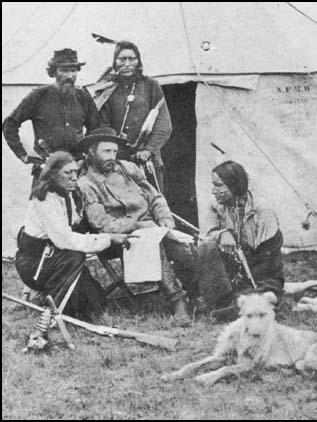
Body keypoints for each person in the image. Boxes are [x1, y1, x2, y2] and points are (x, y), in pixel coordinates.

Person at [77, 126, 192, 326]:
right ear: (91, 153)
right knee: (154, 245)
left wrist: (165, 219)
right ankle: (178, 301)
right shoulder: (86, 184)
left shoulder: (128, 168)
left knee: (182, 247)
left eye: (114, 151)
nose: (112, 156)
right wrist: (137, 225)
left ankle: (196, 292)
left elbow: (154, 196)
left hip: (152, 227)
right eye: (106, 151)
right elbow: (102, 225)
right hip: (119, 238)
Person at [15, 151, 130, 349]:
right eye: (67, 173)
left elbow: (75, 226)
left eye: (76, 172)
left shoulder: (67, 195)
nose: (74, 178)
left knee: (96, 305)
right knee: (75, 255)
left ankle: (53, 301)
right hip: (35, 264)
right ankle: (50, 314)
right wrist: (108, 239)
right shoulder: (43, 199)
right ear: (52, 174)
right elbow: (65, 240)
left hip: (56, 259)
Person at [195, 160, 285, 320]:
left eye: (218, 185)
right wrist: (222, 234)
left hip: (262, 275)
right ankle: (232, 304)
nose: (213, 191)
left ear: (234, 185)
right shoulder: (216, 206)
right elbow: (204, 236)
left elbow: (268, 261)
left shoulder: (263, 211)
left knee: (265, 293)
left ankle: (238, 305)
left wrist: (246, 284)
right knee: (206, 248)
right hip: (230, 273)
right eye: (213, 185)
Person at [2, 48, 100, 187]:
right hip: (46, 170)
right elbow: (9, 124)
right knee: (44, 206)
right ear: (54, 72)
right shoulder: (38, 95)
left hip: (76, 170)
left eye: (73, 71)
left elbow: (95, 129)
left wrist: (85, 157)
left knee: (77, 207)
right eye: (64, 71)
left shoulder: (83, 97)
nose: (70, 76)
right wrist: (23, 154)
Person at [89, 41, 172, 192]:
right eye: (122, 59)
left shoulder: (151, 86)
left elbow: (163, 123)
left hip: (147, 161)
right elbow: (103, 126)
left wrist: (148, 150)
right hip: (117, 160)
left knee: (153, 203)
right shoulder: (108, 89)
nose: (127, 63)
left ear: (138, 62)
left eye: (131, 59)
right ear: (115, 62)